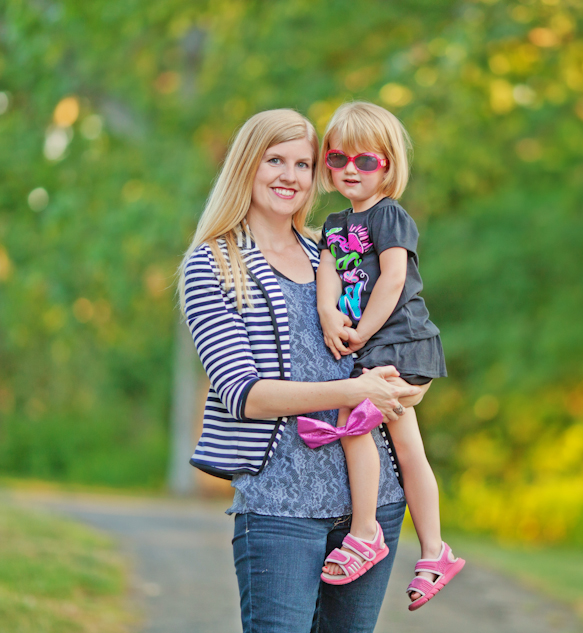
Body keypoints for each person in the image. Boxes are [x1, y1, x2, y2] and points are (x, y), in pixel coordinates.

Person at [177, 108, 422, 633]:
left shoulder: (334, 251)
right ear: (247, 165)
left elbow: (392, 338)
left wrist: (404, 389)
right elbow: (244, 394)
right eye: (275, 160)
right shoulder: (214, 265)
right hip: (280, 507)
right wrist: (355, 388)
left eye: (304, 164)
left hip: (369, 510)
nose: (289, 175)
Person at [301, 101, 463, 611]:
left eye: (364, 161)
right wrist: (329, 313)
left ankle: (368, 532)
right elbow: (328, 271)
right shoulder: (334, 222)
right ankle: (435, 551)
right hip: (372, 347)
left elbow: (393, 280)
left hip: (399, 342)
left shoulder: (390, 215)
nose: (350, 169)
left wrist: (360, 333)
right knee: (403, 443)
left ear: (387, 165)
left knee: (353, 418)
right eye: (338, 158)